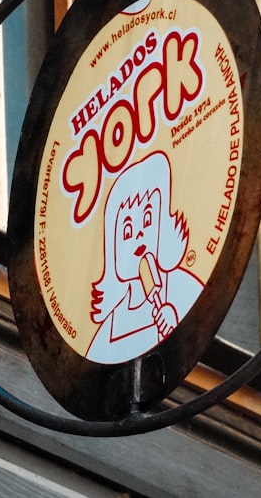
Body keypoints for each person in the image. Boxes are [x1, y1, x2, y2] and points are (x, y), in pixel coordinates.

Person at [86, 152, 203, 364]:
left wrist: (176, 329)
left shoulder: (184, 286)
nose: (139, 234)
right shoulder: (107, 329)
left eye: (148, 218)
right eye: (127, 229)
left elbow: (206, 331)